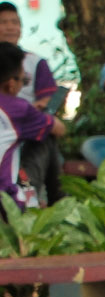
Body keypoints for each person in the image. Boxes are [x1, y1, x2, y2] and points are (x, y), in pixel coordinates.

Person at [0, 44, 64, 207]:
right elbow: (59, 129)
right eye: (24, 80)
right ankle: (57, 202)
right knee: (45, 135)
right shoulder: (18, 109)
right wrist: (37, 114)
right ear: (11, 84)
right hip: (7, 205)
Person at [0, 2, 60, 109]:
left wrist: (25, 112)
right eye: (3, 22)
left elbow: (48, 100)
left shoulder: (36, 62)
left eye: (15, 22)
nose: (10, 27)